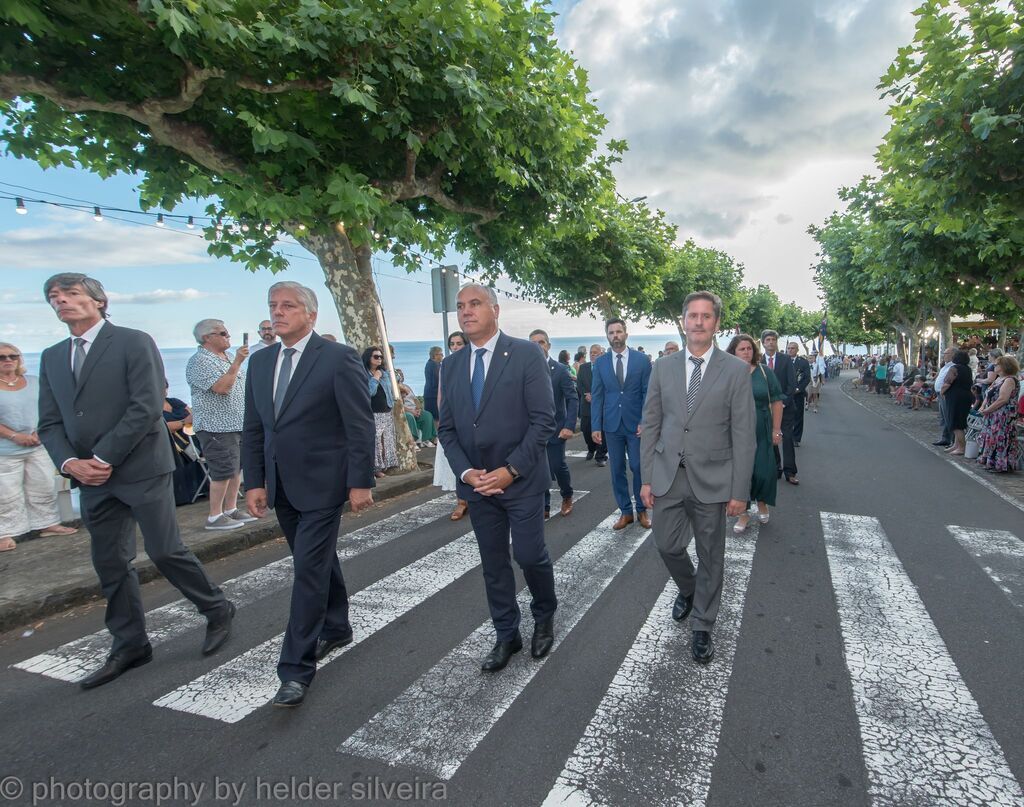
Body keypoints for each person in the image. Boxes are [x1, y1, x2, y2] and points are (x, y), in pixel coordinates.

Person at [37, 273, 234, 690]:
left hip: (140, 466)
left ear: (99, 301)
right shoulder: (53, 356)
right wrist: (72, 462)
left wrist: (103, 456)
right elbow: (50, 422)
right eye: (54, 297)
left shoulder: (132, 341)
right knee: (110, 562)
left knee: (165, 551)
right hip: (90, 477)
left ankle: (217, 608)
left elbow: (146, 405)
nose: (61, 302)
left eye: (71, 294)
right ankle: (129, 644)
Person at [242, 281, 375, 707]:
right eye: (273, 306)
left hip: (323, 483)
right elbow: (255, 427)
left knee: (308, 572)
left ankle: (295, 669)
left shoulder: (337, 358)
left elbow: (359, 424)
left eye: (288, 306)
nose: (278, 312)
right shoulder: (260, 363)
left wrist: (360, 482)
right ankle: (336, 627)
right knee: (314, 560)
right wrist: (256, 481)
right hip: (281, 485)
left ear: (311, 314)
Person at [437, 283, 557, 673]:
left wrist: (510, 471)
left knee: (528, 554)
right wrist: (467, 472)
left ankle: (544, 615)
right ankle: (507, 633)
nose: (466, 311)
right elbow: (448, 429)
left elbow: (543, 420)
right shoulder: (451, 365)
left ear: (495, 309)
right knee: (493, 563)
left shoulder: (524, 354)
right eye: (460, 306)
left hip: (520, 480)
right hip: (477, 486)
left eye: (474, 304)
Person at [640, 291, 756, 664]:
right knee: (667, 545)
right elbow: (652, 424)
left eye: (707, 316)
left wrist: (740, 492)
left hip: (715, 478)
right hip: (669, 475)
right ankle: (689, 589)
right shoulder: (663, 367)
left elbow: (743, 434)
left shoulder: (736, 371)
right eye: (693, 316)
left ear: (716, 323)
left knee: (711, 556)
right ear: (684, 321)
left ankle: (703, 625)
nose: (699, 322)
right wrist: (645, 478)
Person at [0, 342, 78, 552]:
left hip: (38, 443)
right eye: (2, 357)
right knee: (6, 493)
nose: (8, 360)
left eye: (13, 356)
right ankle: (5, 533)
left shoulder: (33, 382)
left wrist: (38, 432)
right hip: (5, 450)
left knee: (43, 486)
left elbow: (49, 408)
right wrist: (15, 436)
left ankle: (48, 524)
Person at [186, 319, 256, 530]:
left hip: (237, 423)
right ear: (207, 337)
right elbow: (222, 388)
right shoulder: (200, 361)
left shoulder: (224, 358)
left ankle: (230, 509)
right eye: (223, 333)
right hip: (216, 426)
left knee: (235, 469)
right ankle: (214, 516)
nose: (228, 336)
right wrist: (237, 363)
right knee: (223, 470)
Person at [592, 319, 652, 529]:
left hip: (636, 424)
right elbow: (597, 395)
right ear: (607, 336)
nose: (615, 335)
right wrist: (595, 426)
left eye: (619, 332)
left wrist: (645, 421)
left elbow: (648, 393)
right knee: (616, 469)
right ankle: (626, 512)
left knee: (637, 466)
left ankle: (642, 510)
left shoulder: (642, 360)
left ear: (626, 334)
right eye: (611, 332)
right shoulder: (600, 363)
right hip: (611, 425)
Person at [728, 335, 783, 532]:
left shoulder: (764, 372)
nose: (746, 352)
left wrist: (777, 429)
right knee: (740, 472)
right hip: (735, 429)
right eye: (741, 349)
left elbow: (777, 401)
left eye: (749, 348)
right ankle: (743, 514)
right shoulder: (727, 373)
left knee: (763, 470)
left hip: (762, 427)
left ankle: (762, 503)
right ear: (733, 351)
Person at [529, 330, 579, 519]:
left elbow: (572, 399)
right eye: (533, 342)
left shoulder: (560, 370)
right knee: (537, 468)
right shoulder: (524, 369)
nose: (537, 346)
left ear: (548, 346)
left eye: (541, 342)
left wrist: (569, 425)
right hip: (532, 431)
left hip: (556, 429)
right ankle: (545, 505)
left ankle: (567, 495)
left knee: (557, 465)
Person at [433, 330, 468, 520]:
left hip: (471, 419)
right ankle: (461, 502)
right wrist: (444, 420)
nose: (454, 347)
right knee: (456, 460)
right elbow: (441, 394)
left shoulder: (474, 362)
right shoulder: (446, 365)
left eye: (458, 343)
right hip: (453, 419)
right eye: (452, 344)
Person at [760, 330, 798, 485]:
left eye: (773, 339)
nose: (771, 342)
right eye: (768, 339)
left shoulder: (786, 360)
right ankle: (776, 468)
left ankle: (790, 472)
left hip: (785, 407)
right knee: (770, 439)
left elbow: (792, 384)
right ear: (763, 342)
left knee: (787, 439)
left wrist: (782, 403)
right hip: (765, 408)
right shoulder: (758, 360)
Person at [162, 382, 206, 506]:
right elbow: (164, 427)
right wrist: (183, 422)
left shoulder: (174, 401)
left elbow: (192, 414)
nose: (164, 391)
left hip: (192, 438)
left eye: (165, 388)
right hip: (173, 444)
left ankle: (202, 489)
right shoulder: (152, 407)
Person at [976, 355, 1020, 473]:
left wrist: (988, 409)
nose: (994, 366)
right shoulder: (998, 379)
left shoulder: (1009, 380)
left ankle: (1000, 464)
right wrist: (983, 406)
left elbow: (1003, 399)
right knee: (991, 438)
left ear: (1004, 366)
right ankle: (990, 461)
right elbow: (989, 394)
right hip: (992, 414)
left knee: (1000, 438)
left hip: (1003, 415)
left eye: (997, 365)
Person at [363, 347, 398, 478]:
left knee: (387, 440)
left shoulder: (384, 373)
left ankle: (386, 465)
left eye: (381, 357)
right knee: (376, 441)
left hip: (387, 410)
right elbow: (369, 392)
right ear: (368, 358)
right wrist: (375, 378)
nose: (379, 359)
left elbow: (390, 390)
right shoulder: (364, 374)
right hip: (373, 412)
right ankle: (375, 469)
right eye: (376, 356)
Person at [575, 344, 607, 465]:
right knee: (586, 429)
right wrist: (585, 394)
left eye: (595, 352)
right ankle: (591, 449)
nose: (592, 354)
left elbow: (609, 385)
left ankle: (601, 456)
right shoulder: (583, 368)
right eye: (591, 352)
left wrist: (597, 396)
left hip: (601, 405)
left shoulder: (606, 368)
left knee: (601, 431)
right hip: (586, 404)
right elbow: (579, 383)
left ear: (600, 354)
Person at [940, 349, 974, 456]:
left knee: (955, 423)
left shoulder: (954, 368)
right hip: (966, 396)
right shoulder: (968, 369)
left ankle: (961, 447)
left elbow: (948, 382)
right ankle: (956, 445)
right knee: (960, 420)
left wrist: (942, 392)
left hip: (955, 397)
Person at [399, 381, 436, 448]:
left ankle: (426, 440)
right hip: (404, 411)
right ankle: (412, 441)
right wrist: (411, 411)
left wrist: (419, 408)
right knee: (409, 417)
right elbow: (398, 405)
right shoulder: (394, 389)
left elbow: (415, 399)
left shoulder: (407, 387)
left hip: (414, 409)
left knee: (427, 415)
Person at [932, 347, 957, 446]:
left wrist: (942, 391)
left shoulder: (953, 366)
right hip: (940, 393)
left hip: (945, 393)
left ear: (952, 355)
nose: (944, 355)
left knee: (948, 416)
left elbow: (949, 381)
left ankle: (951, 439)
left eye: (946, 353)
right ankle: (945, 437)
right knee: (943, 417)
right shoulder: (946, 366)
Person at [788, 342, 810, 446]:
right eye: (789, 348)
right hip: (785, 394)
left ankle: (796, 438)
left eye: (792, 348)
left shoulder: (803, 362)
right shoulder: (783, 361)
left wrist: (799, 389)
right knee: (785, 417)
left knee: (798, 417)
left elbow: (806, 378)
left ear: (797, 350)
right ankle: (785, 436)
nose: (790, 350)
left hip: (798, 394)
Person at [422, 346, 443, 422]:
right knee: (436, 418)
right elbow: (437, 381)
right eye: (441, 354)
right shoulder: (433, 365)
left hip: (431, 395)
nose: (442, 356)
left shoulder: (432, 364)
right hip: (433, 396)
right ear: (435, 355)